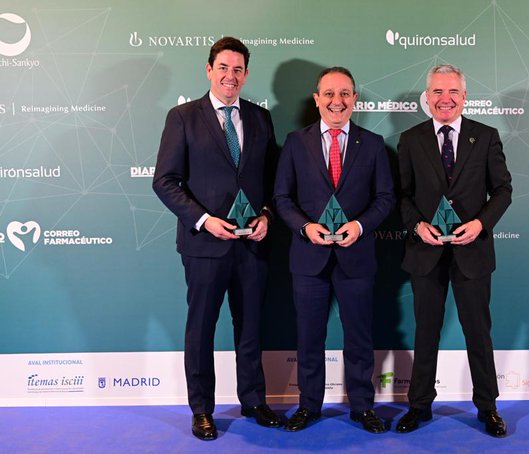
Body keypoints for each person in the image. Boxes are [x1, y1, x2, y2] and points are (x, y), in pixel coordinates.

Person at [152, 36, 280, 440]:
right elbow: (164, 181)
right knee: (201, 328)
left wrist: (267, 215)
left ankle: (254, 400)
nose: (230, 76)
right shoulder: (182, 117)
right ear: (209, 70)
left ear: (246, 74)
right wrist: (204, 220)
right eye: (223, 67)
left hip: (252, 244)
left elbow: (273, 180)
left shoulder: (261, 118)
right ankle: (202, 410)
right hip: (204, 245)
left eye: (238, 69)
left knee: (251, 326)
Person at [273, 67, 395, 433]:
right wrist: (305, 227)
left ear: (354, 99)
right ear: (316, 99)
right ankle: (309, 406)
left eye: (344, 93)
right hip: (308, 257)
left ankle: (362, 407)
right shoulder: (296, 142)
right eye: (329, 93)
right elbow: (282, 198)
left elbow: (385, 198)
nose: (336, 101)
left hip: (356, 257)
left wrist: (359, 226)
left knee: (359, 337)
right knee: (309, 337)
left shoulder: (373, 144)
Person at [395, 64, 512, 437]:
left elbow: (503, 190)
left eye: (452, 92)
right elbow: (402, 196)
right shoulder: (410, 139)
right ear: (427, 97)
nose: (445, 99)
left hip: (472, 252)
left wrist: (480, 224)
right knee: (426, 332)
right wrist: (418, 225)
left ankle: (488, 407)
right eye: (437, 92)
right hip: (425, 252)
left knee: (478, 332)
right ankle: (419, 405)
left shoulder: (486, 136)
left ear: (464, 97)